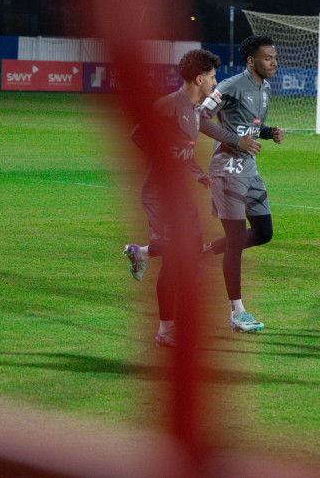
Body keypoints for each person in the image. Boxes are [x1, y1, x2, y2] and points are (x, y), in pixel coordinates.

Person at [122, 49, 259, 347]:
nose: (215, 80)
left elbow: (181, 150)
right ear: (199, 78)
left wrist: (197, 173)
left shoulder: (194, 111)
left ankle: (141, 253)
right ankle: (166, 330)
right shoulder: (170, 105)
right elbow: (138, 134)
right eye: (212, 76)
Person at [198, 35, 284, 332]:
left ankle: (202, 252)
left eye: (274, 57)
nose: (274, 62)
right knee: (235, 241)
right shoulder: (230, 85)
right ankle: (237, 312)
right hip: (226, 173)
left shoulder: (266, 88)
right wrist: (236, 140)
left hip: (250, 172)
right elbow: (200, 117)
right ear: (251, 61)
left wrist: (268, 132)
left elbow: (250, 127)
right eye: (268, 58)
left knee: (263, 233)